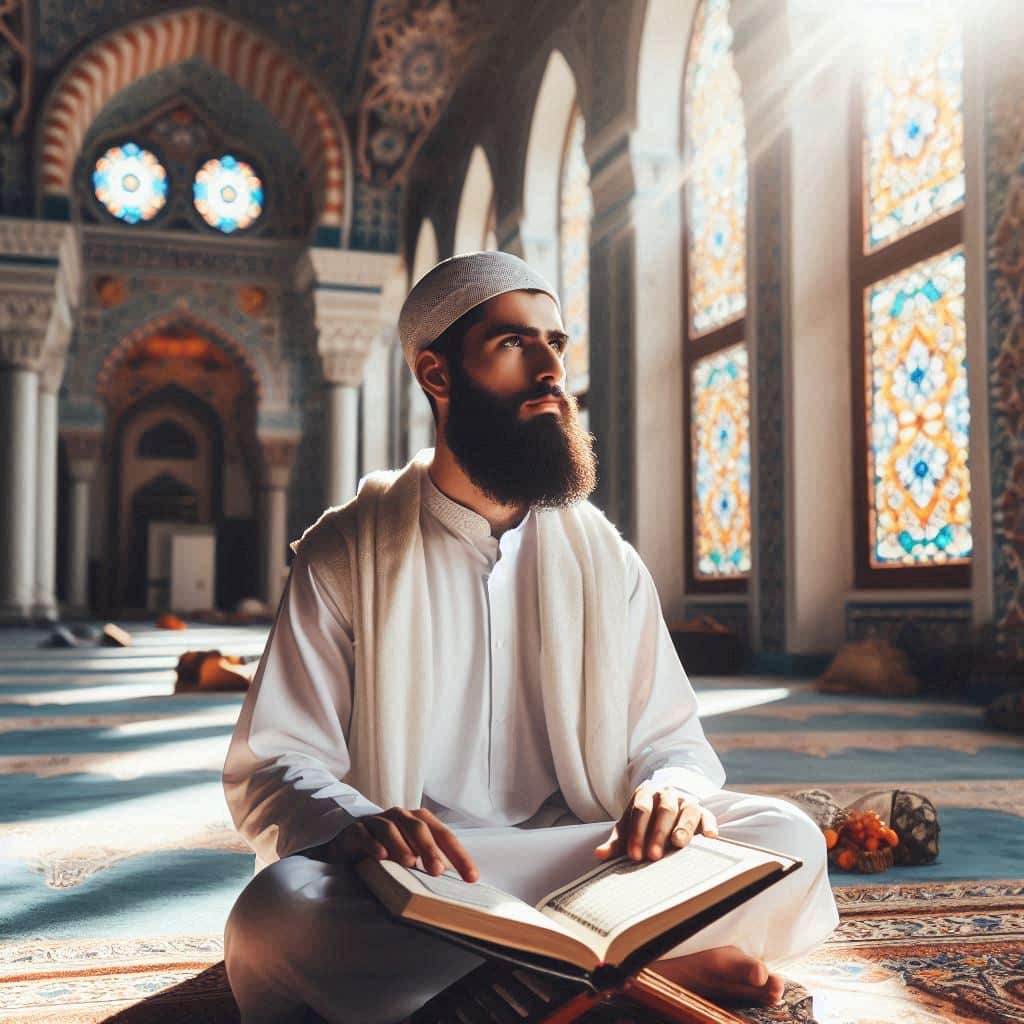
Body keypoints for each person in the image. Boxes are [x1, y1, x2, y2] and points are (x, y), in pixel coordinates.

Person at [222, 252, 838, 1024]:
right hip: (429, 874)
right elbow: (277, 762)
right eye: (516, 345)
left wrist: (670, 792)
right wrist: (358, 822)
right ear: (437, 375)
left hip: (589, 856)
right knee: (276, 912)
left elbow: (671, 740)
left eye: (557, 343)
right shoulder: (348, 553)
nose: (552, 371)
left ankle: (515, 988)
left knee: (785, 839)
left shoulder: (602, 557)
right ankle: (646, 968)